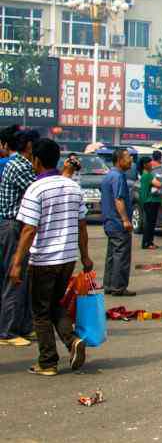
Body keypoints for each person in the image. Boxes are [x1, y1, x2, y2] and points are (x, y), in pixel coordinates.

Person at [7, 138, 92, 375]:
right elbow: (82, 226)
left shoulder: (36, 189)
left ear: (36, 160)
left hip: (44, 260)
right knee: (54, 304)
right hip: (67, 258)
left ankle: (48, 362)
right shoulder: (72, 186)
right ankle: (73, 341)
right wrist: (85, 257)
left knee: (40, 312)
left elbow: (28, 230)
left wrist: (16, 263)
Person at [0, 129, 38, 347]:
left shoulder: (17, 164)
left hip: (15, 226)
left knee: (22, 278)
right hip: (13, 227)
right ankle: (8, 331)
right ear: (30, 146)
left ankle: (22, 326)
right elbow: (38, 189)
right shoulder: (21, 166)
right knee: (13, 276)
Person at [100, 149, 135, 296]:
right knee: (121, 255)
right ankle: (118, 287)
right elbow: (118, 199)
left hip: (110, 222)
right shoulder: (118, 176)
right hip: (118, 222)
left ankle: (109, 285)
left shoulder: (109, 175)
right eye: (128, 157)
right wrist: (125, 219)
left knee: (112, 255)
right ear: (119, 160)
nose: (131, 160)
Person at [137, 157, 162, 250]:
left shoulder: (144, 174)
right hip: (151, 201)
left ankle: (148, 242)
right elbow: (158, 184)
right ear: (145, 165)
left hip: (147, 201)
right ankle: (147, 243)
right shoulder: (148, 175)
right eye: (149, 163)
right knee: (150, 224)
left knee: (149, 223)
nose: (151, 164)